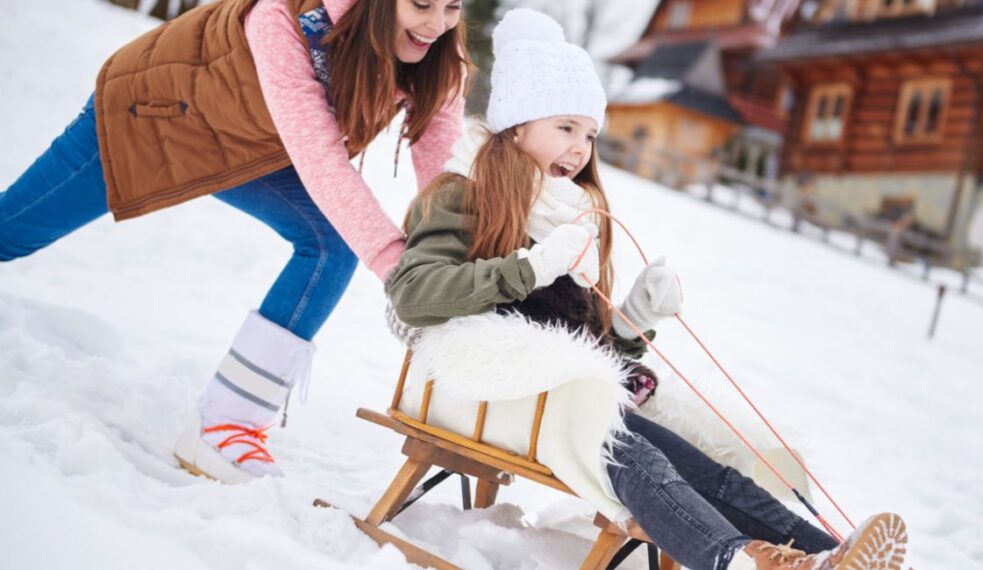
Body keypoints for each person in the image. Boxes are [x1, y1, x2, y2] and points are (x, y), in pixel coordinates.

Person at [385, 9, 910, 570]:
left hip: (561, 405)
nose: (580, 148)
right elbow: (413, 294)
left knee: (705, 470)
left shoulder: (571, 215)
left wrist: (633, 321)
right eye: (565, 127)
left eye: (589, 134)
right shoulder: (461, 194)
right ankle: (735, 560)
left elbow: (585, 357)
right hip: (488, 397)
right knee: (635, 456)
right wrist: (529, 269)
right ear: (518, 123)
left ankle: (830, 555)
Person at [0, 0, 470, 483]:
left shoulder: (438, 61)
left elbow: (443, 183)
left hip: (249, 146)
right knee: (13, 231)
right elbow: (321, 160)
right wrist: (401, 270)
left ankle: (224, 426)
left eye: (452, 6)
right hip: (152, 116)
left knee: (329, 245)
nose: (436, 24)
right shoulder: (281, 18)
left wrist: (460, 265)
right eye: (420, 4)